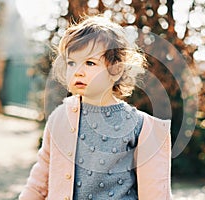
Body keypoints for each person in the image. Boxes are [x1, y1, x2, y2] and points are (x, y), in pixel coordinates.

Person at [19, 15, 172, 200]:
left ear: (116, 70)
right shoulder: (59, 118)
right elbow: (38, 184)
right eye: (71, 63)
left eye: (90, 63)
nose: (78, 71)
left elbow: (156, 193)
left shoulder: (139, 126)